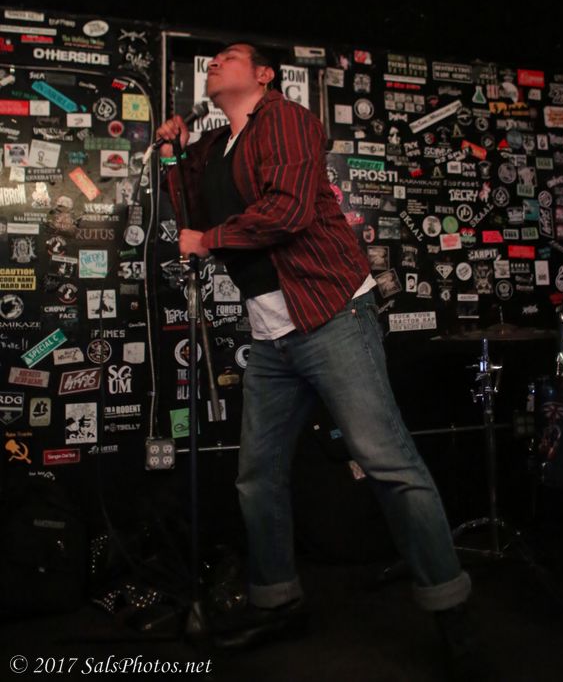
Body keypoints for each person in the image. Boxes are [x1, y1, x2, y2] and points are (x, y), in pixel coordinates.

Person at [157, 43, 485, 681]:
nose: (216, 61)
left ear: (263, 75)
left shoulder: (286, 119)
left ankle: (452, 610)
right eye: (212, 58)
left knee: (388, 462)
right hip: (271, 334)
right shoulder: (215, 145)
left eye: (230, 55)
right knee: (258, 476)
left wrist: (211, 240)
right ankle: (277, 602)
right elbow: (190, 213)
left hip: (331, 315)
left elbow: (287, 210)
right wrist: (173, 150)